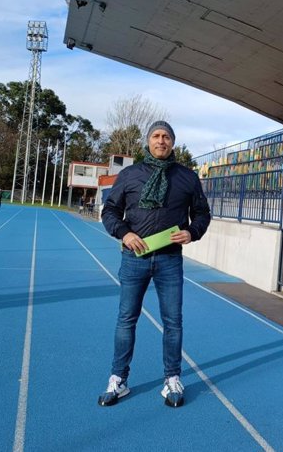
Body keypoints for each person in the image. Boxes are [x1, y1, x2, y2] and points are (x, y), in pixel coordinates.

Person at [98, 121, 210, 408]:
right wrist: (125, 232)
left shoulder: (187, 177)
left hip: (170, 260)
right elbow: (110, 210)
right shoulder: (130, 174)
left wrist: (192, 231)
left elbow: (202, 213)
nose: (161, 140)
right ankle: (118, 379)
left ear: (173, 142)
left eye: (167, 136)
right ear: (148, 141)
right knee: (126, 320)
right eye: (156, 136)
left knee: (173, 322)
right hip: (134, 259)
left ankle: (172, 378)